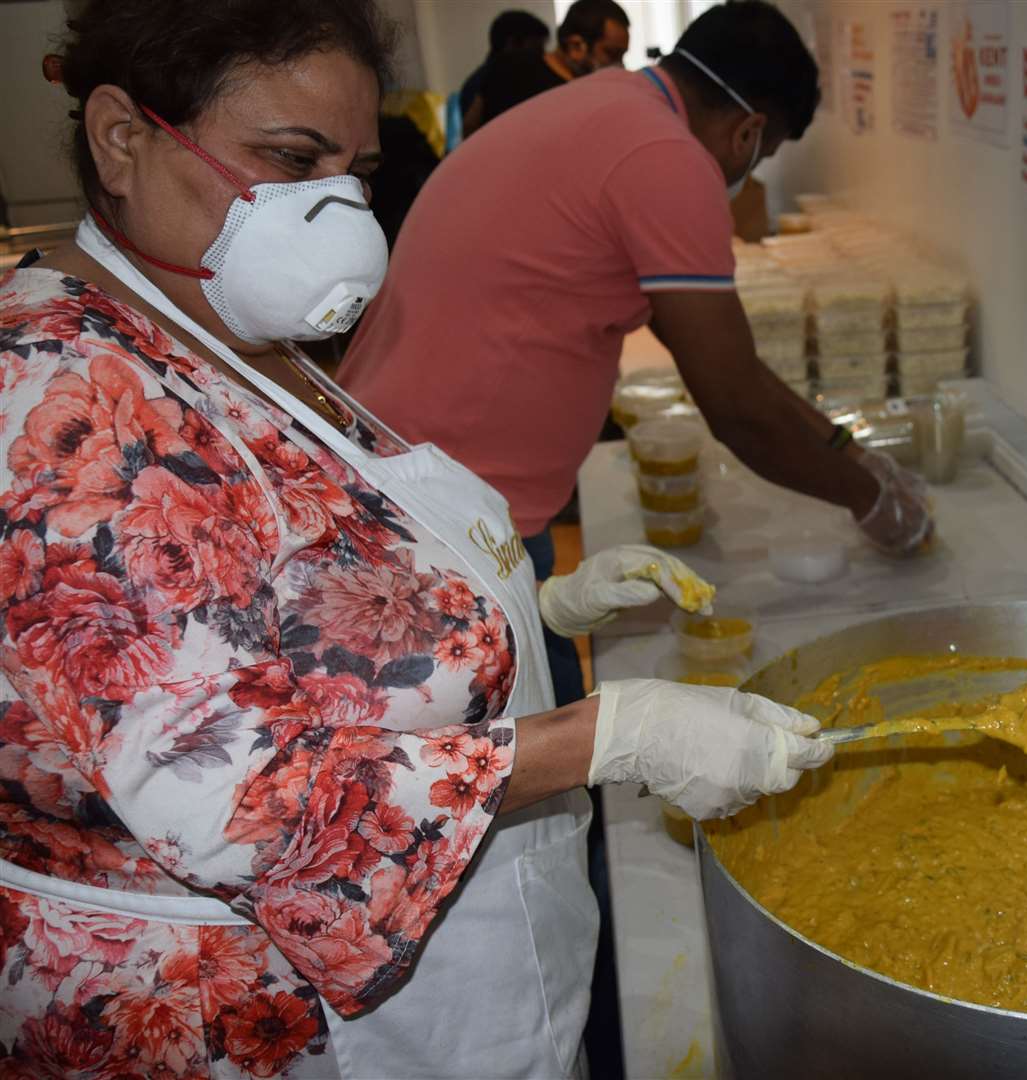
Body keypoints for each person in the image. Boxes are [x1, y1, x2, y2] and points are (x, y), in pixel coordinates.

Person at [0, 2, 833, 1076]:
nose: (337, 213)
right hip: (244, 1015)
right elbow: (244, 804)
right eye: (288, 159)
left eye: (352, 170)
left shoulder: (208, 323)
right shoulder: (54, 405)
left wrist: (520, 617)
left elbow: (283, 601)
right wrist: (606, 738)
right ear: (123, 137)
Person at [341, 0, 934, 705]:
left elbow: (739, 368)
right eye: (764, 153)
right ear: (747, 131)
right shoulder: (666, 159)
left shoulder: (612, 106)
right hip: (454, 503)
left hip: (404, 457)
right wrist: (873, 502)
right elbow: (735, 406)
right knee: (516, 737)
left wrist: (844, 445)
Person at [462, 0, 630, 137]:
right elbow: (473, 128)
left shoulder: (590, 90)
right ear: (576, 46)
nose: (620, 66)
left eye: (622, 55)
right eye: (611, 53)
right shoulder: (511, 71)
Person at [459, 9, 551, 124]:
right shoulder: (485, 85)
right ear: (512, 44)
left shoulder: (480, 82)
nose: (543, 56)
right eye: (537, 49)